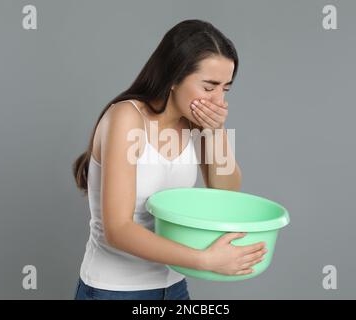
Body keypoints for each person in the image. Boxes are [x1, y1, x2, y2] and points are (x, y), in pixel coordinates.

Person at [72, 19, 267, 300]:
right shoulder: (127, 117)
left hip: (173, 286)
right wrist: (205, 260)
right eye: (209, 87)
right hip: (114, 289)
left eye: (225, 89)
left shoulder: (195, 123)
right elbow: (118, 229)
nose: (218, 102)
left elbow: (226, 197)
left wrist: (216, 132)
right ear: (174, 78)